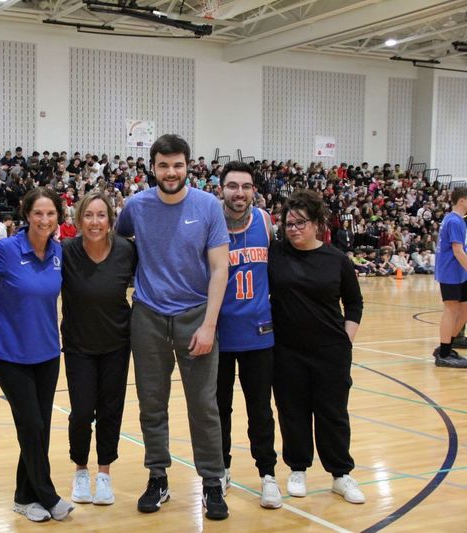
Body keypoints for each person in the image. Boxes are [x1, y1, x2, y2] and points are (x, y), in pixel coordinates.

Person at [116, 134, 230, 520]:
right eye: (163, 165)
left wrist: (210, 324)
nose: (171, 172)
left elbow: (220, 268)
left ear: (188, 166)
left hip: (196, 316)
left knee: (203, 404)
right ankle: (158, 476)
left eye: (177, 165)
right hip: (147, 315)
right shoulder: (135, 206)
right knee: (152, 402)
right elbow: (116, 249)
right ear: (152, 167)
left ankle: (212, 482)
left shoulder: (208, 205)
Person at [268, 189, 366, 505]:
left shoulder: (336, 259)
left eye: (301, 223)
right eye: (289, 223)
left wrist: (345, 340)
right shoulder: (276, 254)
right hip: (286, 350)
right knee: (292, 412)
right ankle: (298, 469)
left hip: (331, 351)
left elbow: (354, 303)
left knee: (332, 413)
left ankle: (341, 474)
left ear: (318, 223)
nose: (294, 229)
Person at [0, 187, 74, 523]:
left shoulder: (58, 252)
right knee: (31, 424)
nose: (44, 219)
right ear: (26, 215)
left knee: (39, 429)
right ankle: (47, 494)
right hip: (10, 355)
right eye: (38, 213)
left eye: (50, 213)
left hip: (48, 354)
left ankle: (24, 497)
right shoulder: (6, 250)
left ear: (58, 217)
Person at [61, 191, 136, 506]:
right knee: (81, 413)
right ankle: (80, 469)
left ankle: (104, 474)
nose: (95, 222)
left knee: (110, 410)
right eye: (88, 215)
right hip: (79, 345)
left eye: (101, 215)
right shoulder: (66, 252)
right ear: (79, 220)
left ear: (110, 220)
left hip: (116, 344)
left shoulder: (126, 251)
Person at [215, 161, 282, 509]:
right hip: (221, 333)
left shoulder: (266, 222)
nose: (238, 192)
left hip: (259, 332)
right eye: (232, 186)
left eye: (245, 186)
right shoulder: (210, 223)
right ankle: (221, 470)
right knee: (219, 409)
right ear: (221, 189)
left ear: (253, 189)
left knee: (260, 409)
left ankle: (267, 475)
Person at [433, 188, 467, 368]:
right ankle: (444, 354)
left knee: (464, 310)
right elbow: (457, 250)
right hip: (451, 271)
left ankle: (448, 346)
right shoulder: (454, 220)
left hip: (460, 272)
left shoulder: (456, 220)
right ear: (462, 201)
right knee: (451, 309)